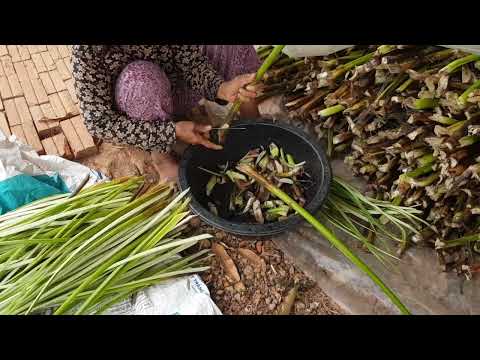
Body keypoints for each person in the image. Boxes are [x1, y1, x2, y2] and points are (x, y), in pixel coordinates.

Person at [71, 45, 262, 181]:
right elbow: (98, 121)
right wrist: (169, 132)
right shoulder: (87, 50)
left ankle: (254, 126)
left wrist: (220, 87)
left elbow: (190, 62)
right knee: (141, 78)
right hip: (138, 105)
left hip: (177, 88)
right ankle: (162, 159)